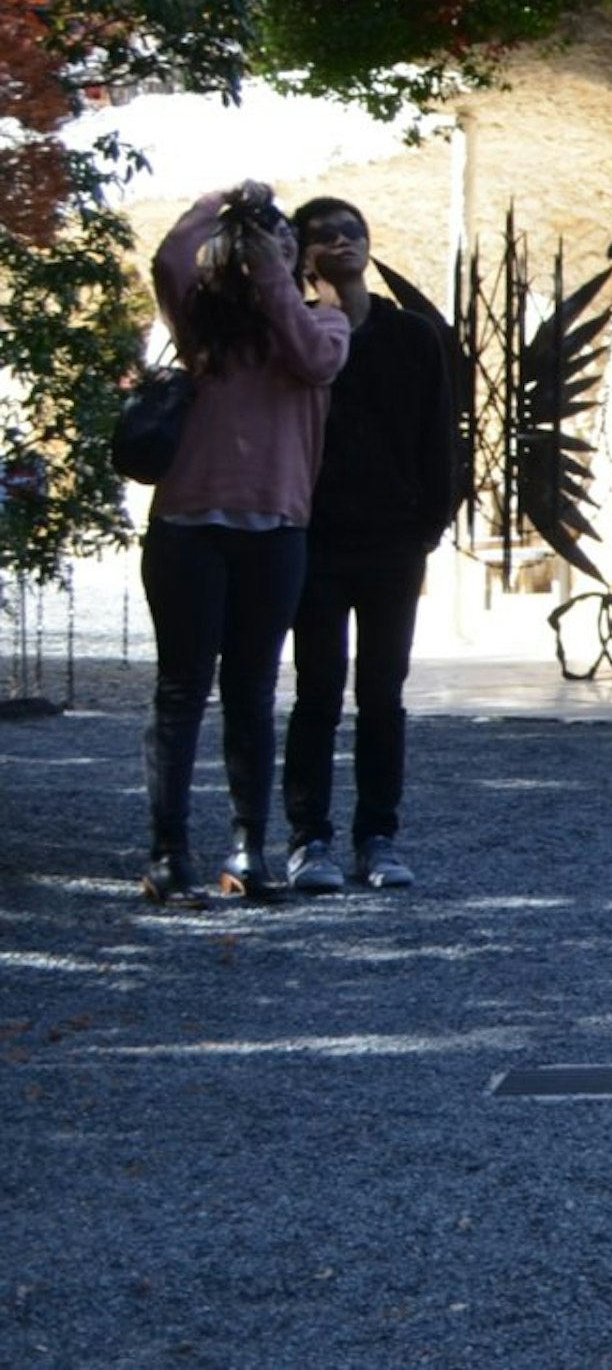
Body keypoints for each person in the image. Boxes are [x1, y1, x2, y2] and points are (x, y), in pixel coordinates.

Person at [141, 183, 350, 901]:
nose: (276, 248)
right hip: (187, 527)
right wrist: (217, 203)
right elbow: (168, 261)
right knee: (181, 691)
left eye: (287, 241)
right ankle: (169, 853)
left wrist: (272, 275)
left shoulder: (324, 321)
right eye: (268, 239)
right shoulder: (202, 322)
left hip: (276, 530)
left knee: (252, 692)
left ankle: (249, 848)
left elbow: (313, 360)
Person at [277, 197, 460, 893]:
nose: (343, 241)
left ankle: (377, 834)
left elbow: (439, 435)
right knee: (318, 690)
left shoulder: (411, 337)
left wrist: (429, 523)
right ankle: (308, 837)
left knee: (383, 693)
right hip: (316, 539)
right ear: (302, 253)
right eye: (325, 234)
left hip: (392, 541)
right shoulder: (293, 338)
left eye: (354, 230)